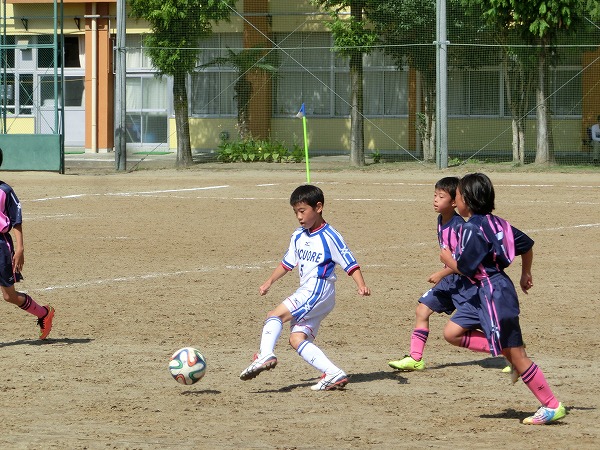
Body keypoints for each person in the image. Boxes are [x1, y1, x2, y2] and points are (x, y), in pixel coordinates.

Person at [440, 173, 565, 425]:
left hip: (493, 292)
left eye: (458, 195)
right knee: (452, 332)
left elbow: (465, 268)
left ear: (468, 200)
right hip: (484, 292)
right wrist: (525, 272)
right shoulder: (498, 223)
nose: (455, 200)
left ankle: (551, 405)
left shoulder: (472, 228)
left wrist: (447, 260)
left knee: (516, 352)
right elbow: (526, 244)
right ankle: (508, 354)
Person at [239, 184, 371, 390]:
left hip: (318, 288)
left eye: (302, 211)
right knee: (296, 338)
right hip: (315, 294)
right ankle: (333, 373)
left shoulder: (330, 236)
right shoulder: (298, 235)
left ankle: (265, 354)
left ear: (318, 207)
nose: (299, 217)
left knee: (275, 315)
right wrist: (269, 281)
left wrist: (361, 284)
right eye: (295, 212)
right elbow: (287, 263)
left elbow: (350, 262)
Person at [388, 177, 507, 373]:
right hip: (449, 281)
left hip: (464, 282)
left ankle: (506, 349)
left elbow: (465, 262)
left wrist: (441, 273)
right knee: (422, 310)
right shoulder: (440, 220)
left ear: (454, 202)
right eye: (435, 195)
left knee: (480, 323)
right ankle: (415, 358)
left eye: (441, 196)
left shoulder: (460, 227)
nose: (435, 199)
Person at [0, 148, 55, 340]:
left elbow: (16, 221)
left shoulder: (5, 191)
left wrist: (20, 248)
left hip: (1, 246)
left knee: (9, 296)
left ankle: (44, 313)